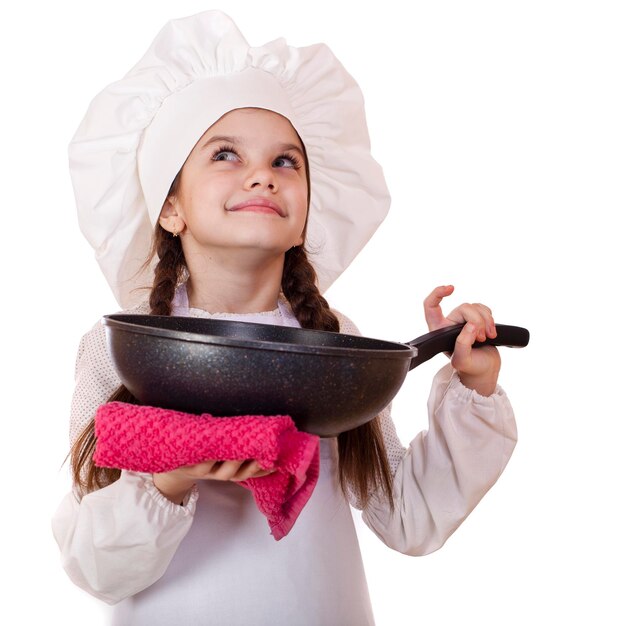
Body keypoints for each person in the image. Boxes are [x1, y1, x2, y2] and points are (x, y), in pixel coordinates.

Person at [53, 11, 517, 626]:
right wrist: (170, 478)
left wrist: (471, 386)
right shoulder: (121, 348)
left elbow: (407, 516)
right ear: (170, 207)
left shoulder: (332, 345)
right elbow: (96, 570)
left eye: (286, 162)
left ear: (306, 213)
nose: (261, 176)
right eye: (225, 154)